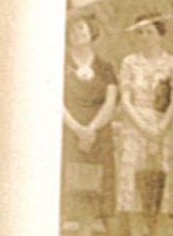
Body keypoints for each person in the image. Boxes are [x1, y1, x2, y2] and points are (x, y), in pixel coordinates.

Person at [61, 13, 118, 236]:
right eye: (73, 31)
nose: (78, 34)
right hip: (67, 130)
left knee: (94, 188)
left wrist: (91, 129)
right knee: (64, 184)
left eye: (82, 29)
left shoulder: (105, 66)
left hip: (98, 134)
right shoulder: (58, 62)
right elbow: (54, 99)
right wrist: (76, 128)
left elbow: (110, 100)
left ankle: (86, 232)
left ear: (91, 32)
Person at [117, 13, 173, 236]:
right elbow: (126, 98)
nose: (145, 37)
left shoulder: (170, 62)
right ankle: (136, 231)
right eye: (140, 32)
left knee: (162, 178)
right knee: (133, 180)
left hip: (164, 126)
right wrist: (142, 125)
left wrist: (160, 128)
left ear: (160, 33)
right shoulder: (130, 62)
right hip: (135, 126)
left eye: (149, 31)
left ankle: (160, 230)